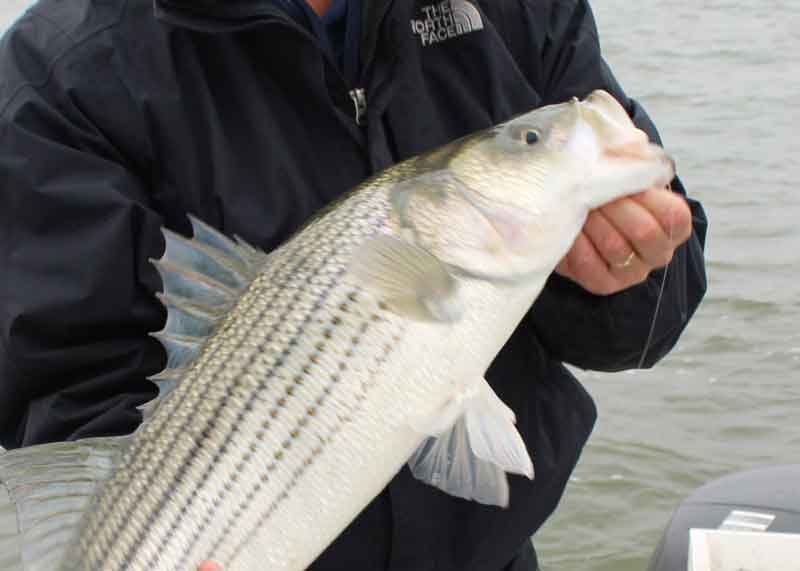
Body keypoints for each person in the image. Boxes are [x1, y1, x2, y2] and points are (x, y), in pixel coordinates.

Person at [0, 0, 707, 569]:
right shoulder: (63, 72)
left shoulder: (518, 13)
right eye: (525, 139)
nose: (555, 135)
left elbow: (652, 321)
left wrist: (627, 265)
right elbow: (67, 394)